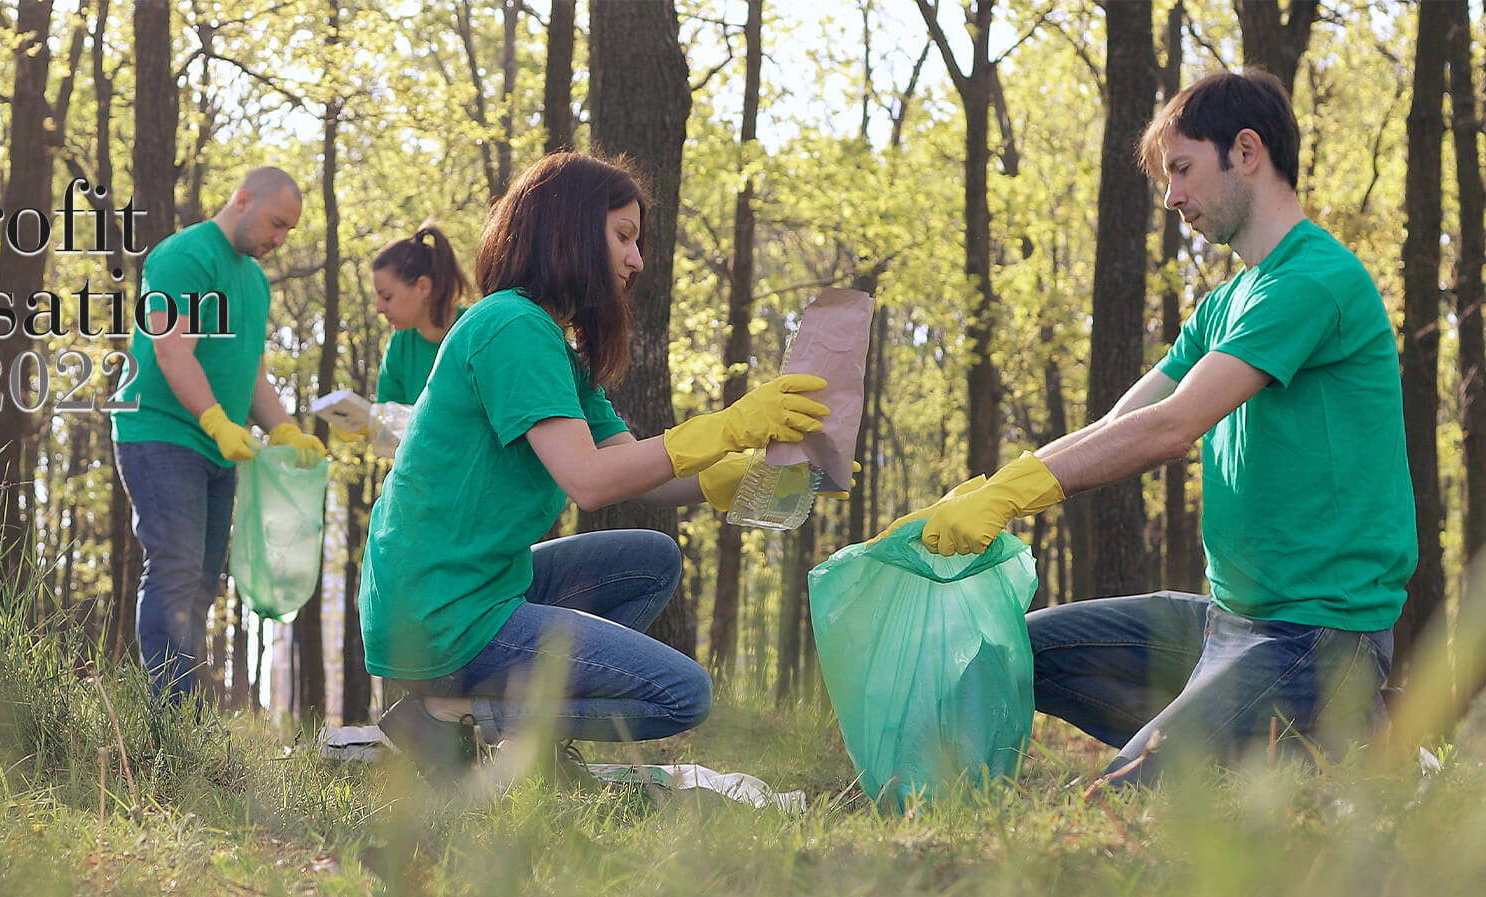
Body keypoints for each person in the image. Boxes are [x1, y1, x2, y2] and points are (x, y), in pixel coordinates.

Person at [878, 69, 1414, 789]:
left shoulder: (1312, 281)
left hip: (1317, 637)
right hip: (1227, 626)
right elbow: (1121, 421)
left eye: (1183, 170)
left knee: (1123, 797)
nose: (1172, 198)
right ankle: (1318, 744)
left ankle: (1340, 737)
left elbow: (1174, 425)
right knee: (1012, 650)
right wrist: (991, 493)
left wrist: (1016, 495)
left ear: (1246, 151)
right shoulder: (1228, 302)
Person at [359, 151, 830, 777]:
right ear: (571, 230)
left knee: (651, 559)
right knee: (682, 694)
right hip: (441, 615)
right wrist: (729, 424)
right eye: (623, 237)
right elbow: (589, 481)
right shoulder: (509, 327)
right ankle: (455, 717)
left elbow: (626, 462)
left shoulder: (551, 343)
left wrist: (744, 477)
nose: (637, 260)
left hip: (473, 585)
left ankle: (478, 721)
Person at [111, 166, 329, 709]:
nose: (279, 240)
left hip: (219, 444)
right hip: (161, 432)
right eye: (276, 224)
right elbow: (171, 350)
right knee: (176, 566)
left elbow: (250, 371)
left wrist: (281, 427)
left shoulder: (253, 282)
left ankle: (181, 713)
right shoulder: (184, 257)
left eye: (288, 232)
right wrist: (213, 418)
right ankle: (168, 715)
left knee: (205, 579)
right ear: (243, 198)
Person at [370, 222, 472, 406]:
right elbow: (385, 418)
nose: (379, 308)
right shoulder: (399, 346)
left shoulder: (476, 333)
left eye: (387, 296)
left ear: (423, 287)